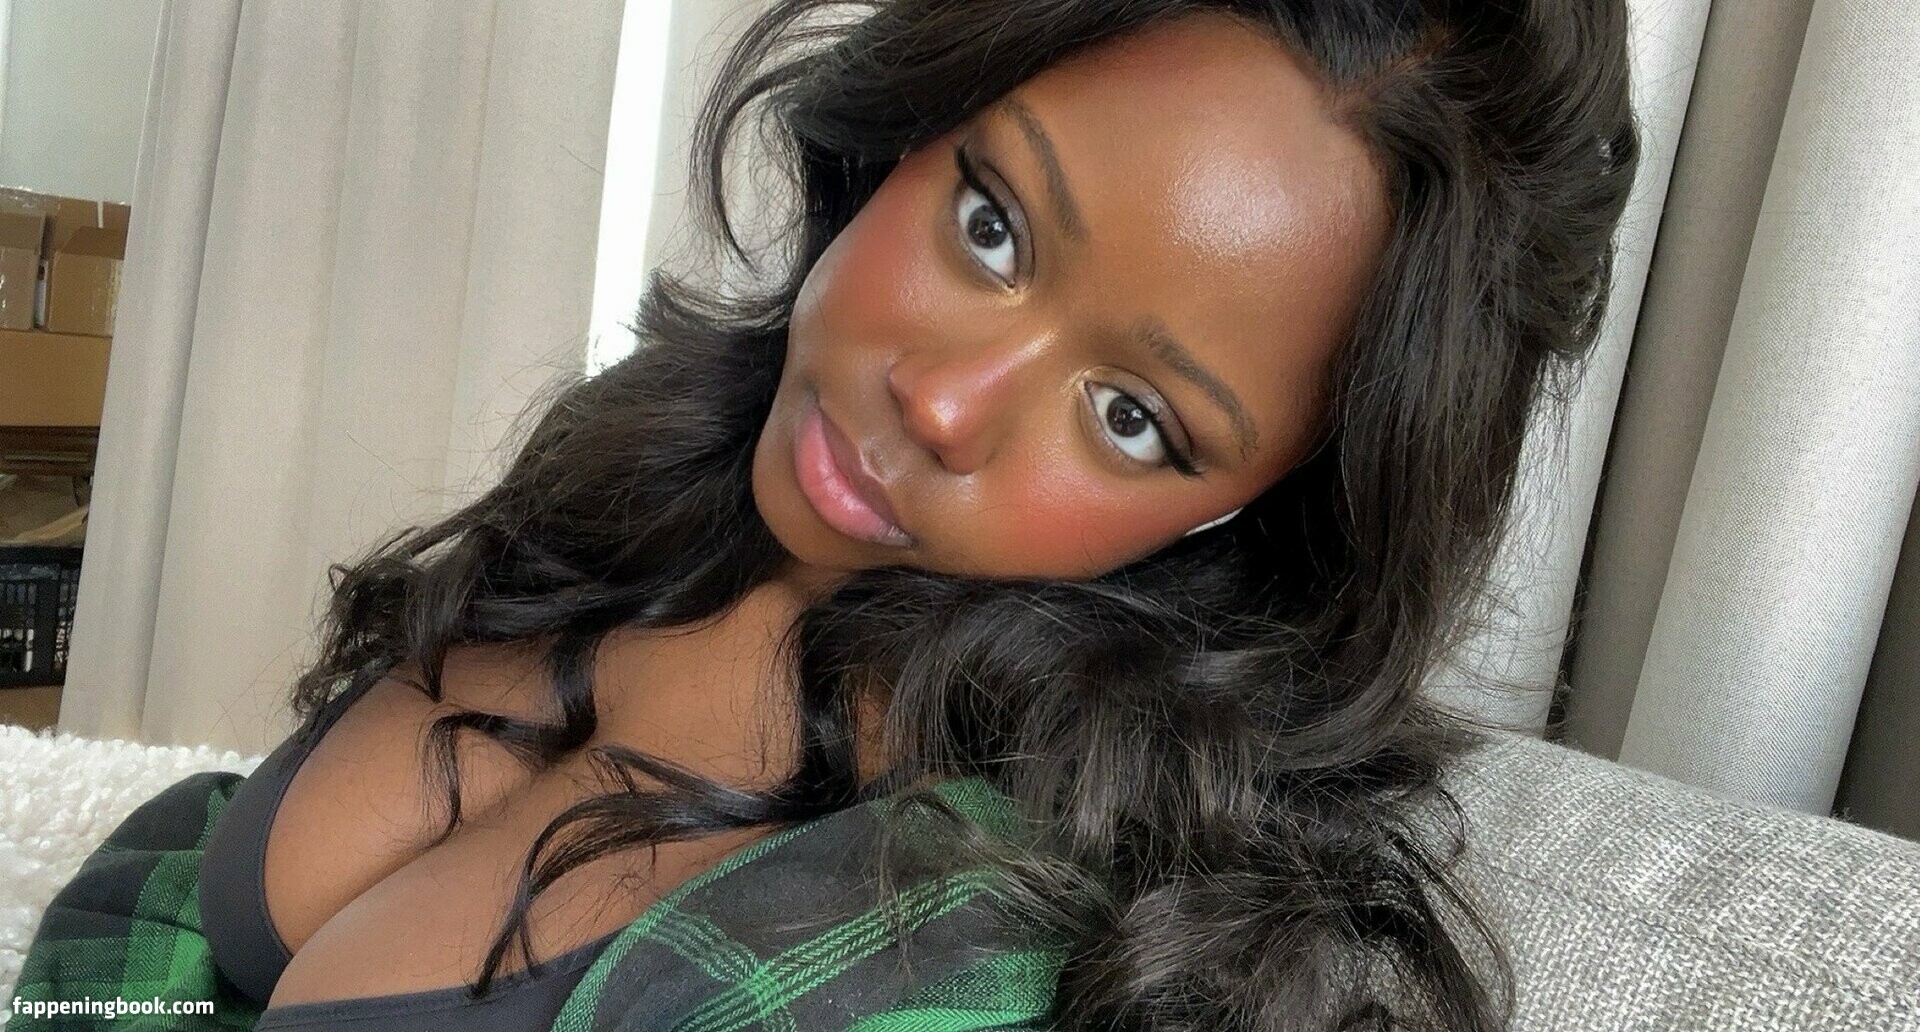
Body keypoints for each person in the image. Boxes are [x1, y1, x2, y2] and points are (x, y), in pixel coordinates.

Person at [13, 1, 1639, 1029]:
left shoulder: (967, 941)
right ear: (910, 126)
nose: (943, 403)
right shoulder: (639, 502)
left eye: (1133, 418)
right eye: (994, 227)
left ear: (1252, 520)